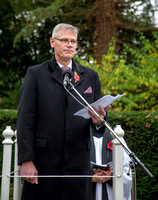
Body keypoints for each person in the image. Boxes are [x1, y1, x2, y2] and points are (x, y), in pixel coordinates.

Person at [17, 23, 110, 200]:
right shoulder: (35, 74)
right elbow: (24, 120)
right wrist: (26, 161)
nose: (69, 45)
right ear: (52, 42)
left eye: (73, 41)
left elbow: (100, 123)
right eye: (64, 40)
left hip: (78, 163)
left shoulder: (90, 76)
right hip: (44, 162)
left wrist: (99, 121)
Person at [90, 126, 132, 200]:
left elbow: (127, 172)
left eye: (102, 113)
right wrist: (89, 178)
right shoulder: (78, 138)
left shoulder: (116, 138)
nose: (99, 114)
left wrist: (111, 176)